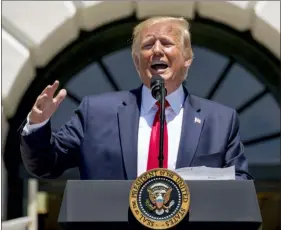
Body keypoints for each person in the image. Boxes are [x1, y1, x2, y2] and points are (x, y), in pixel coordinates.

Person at [20, 16, 252, 180]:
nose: (157, 51)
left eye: (167, 43)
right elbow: (46, 165)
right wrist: (37, 123)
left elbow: (239, 183)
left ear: (187, 58)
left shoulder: (220, 120)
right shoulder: (97, 113)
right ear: (136, 61)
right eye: (148, 45)